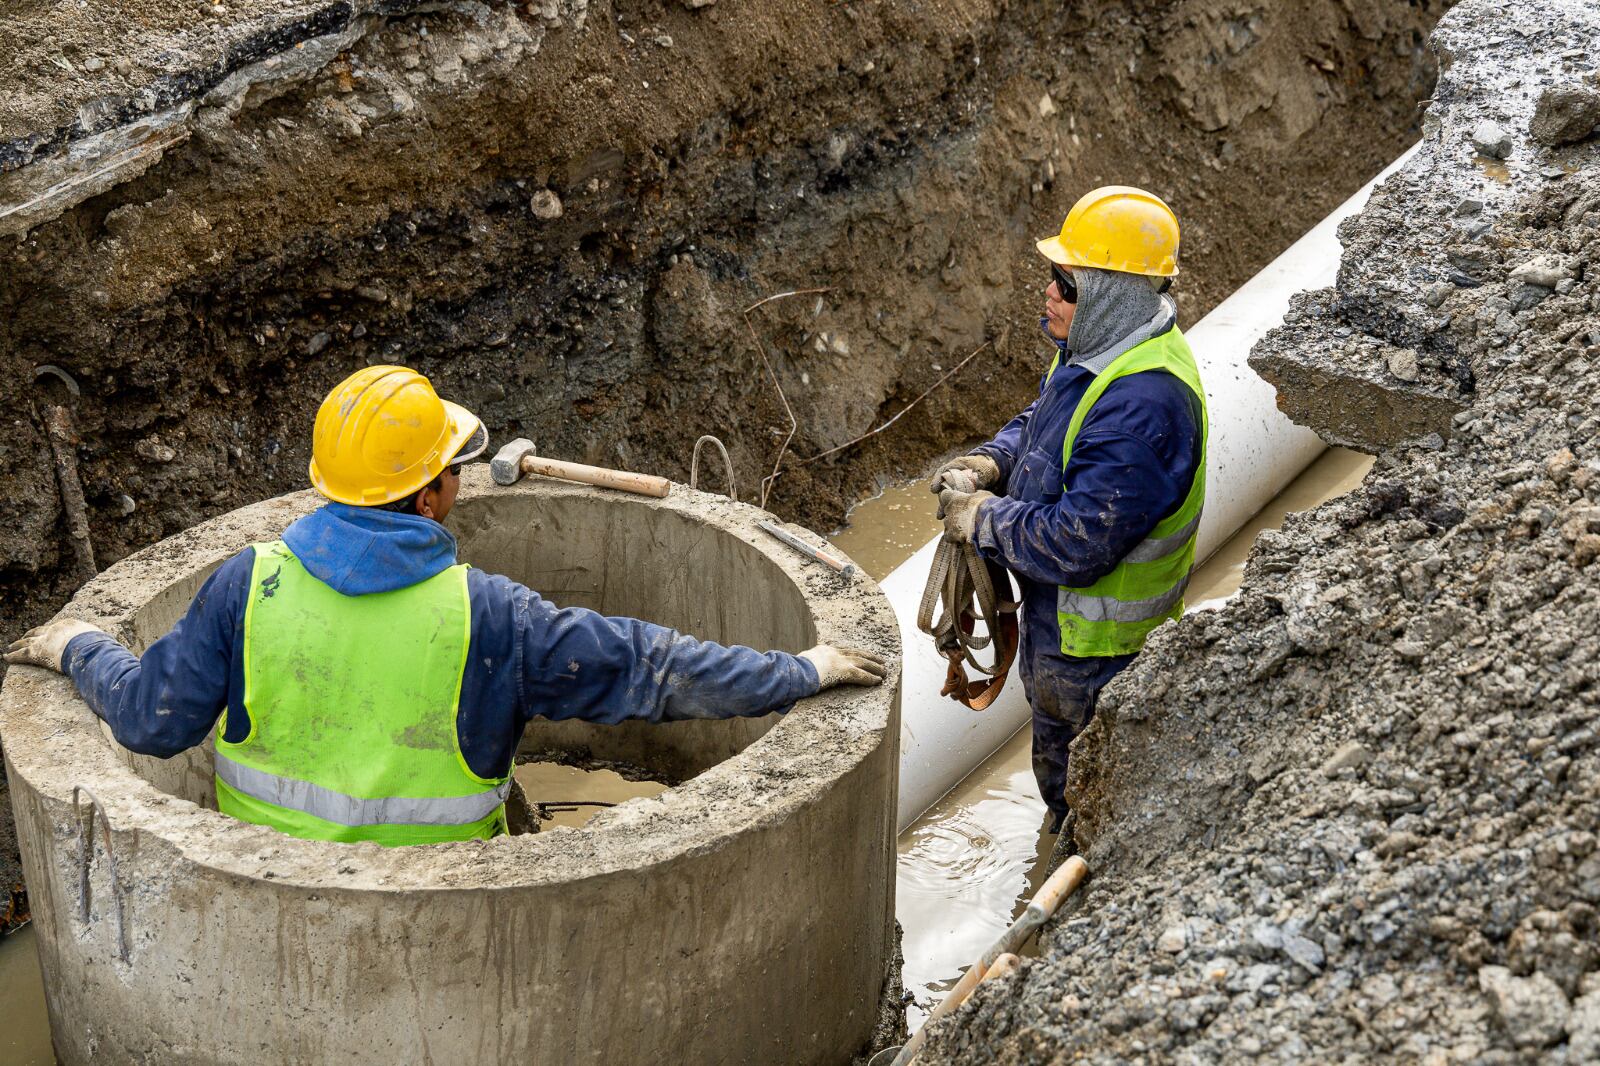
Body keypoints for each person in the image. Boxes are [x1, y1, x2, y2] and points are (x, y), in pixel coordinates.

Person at [5, 366, 885, 845]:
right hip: (439, 918)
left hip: (275, 886)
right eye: (453, 468)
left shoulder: (250, 583)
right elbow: (653, 671)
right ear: (430, 495)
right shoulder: (490, 618)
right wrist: (801, 669)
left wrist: (80, 646)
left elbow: (154, 719)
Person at [931, 186, 1207, 833]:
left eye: (1066, 281)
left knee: (1089, 802)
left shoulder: (1144, 407)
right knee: (1069, 790)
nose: (1049, 293)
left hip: (1102, 659)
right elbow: (1047, 419)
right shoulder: (1097, 350)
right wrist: (993, 462)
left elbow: (1078, 543)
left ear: (1112, 293)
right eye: (1053, 277)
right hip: (1066, 638)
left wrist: (982, 518)